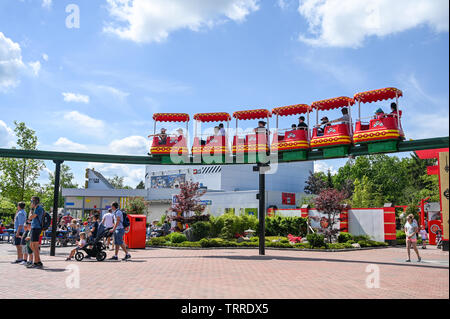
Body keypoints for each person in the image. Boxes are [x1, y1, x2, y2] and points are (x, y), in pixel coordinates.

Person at [27, 196, 44, 268]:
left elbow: (30, 217)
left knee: (35, 246)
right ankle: (38, 261)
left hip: (36, 228)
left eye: (31, 201)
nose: (31, 203)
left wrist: (31, 209)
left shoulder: (39, 208)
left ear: (34, 202)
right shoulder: (37, 208)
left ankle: (36, 262)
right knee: (31, 245)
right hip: (34, 228)